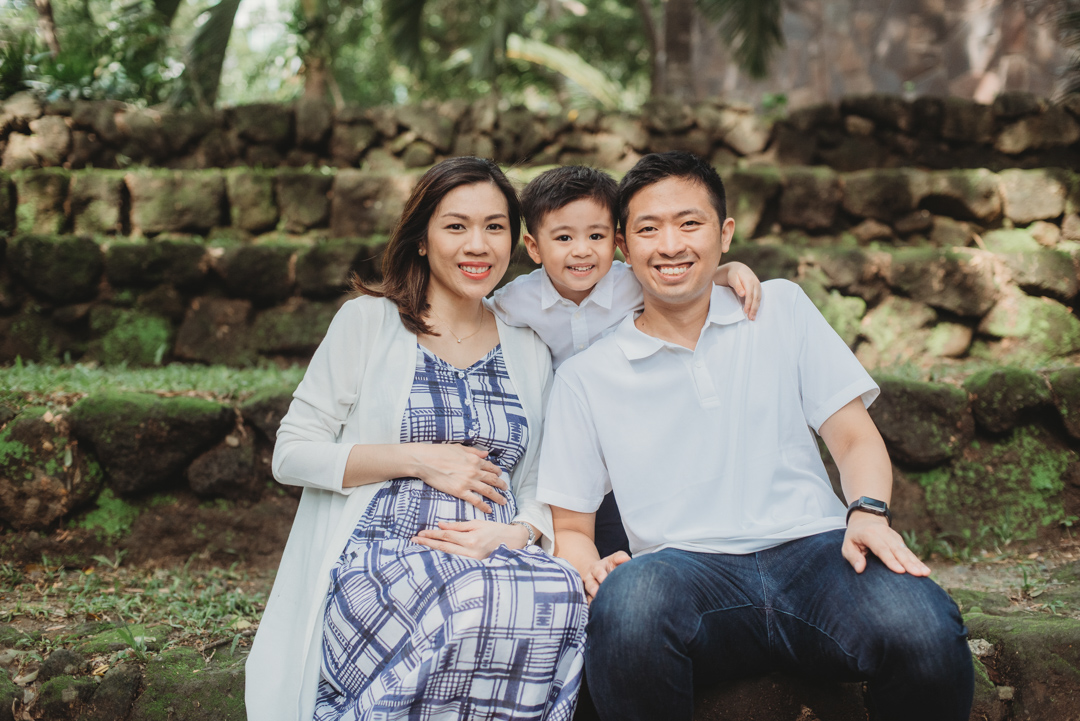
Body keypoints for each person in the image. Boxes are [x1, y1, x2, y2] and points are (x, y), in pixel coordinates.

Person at [536, 151, 974, 721]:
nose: (670, 245)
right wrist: (593, 569)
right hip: (681, 571)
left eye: (689, 224)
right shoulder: (585, 376)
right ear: (624, 246)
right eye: (649, 229)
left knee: (924, 624)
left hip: (817, 555)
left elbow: (853, 439)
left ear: (725, 234)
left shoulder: (781, 308)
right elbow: (571, 528)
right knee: (628, 605)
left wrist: (867, 512)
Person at [246, 157, 588, 721]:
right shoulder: (369, 322)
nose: (477, 245)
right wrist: (418, 460)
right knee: (470, 602)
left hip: (497, 550)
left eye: (494, 227)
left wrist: (516, 532)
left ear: (515, 240)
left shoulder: (529, 346)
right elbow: (292, 452)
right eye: (456, 226)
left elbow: (536, 485)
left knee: (557, 594)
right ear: (423, 239)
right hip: (384, 552)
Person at [488, 165, 761, 558]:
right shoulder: (516, 300)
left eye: (596, 236)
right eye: (563, 237)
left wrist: (730, 270)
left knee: (624, 527)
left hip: (629, 435)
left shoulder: (631, 282)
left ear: (616, 242)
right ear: (533, 247)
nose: (582, 250)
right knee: (572, 535)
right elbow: (473, 315)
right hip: (563, 444)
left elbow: (685, 277)